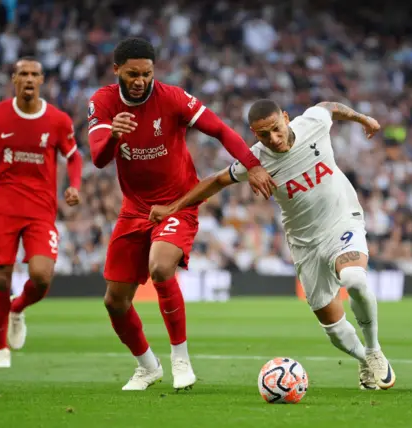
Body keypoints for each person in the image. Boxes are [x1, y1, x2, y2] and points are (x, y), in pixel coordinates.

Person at [150, 99, 397, 391]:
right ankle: (363, 360)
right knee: (332, 326)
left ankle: (373, 350)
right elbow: (215, 181)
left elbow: (329, 106)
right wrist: (172, 208)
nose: (274, 139)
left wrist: (363, 118)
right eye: (263, 135)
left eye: (277, 129)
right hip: (304, 242)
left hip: (343, 221)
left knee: (354, 278)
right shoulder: (254, 161)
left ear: (286, 117)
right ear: (255, 134)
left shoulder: (313, 123)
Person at [87, 37, 276, 391]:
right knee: (114, 301)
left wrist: (251, 165)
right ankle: (147, 366)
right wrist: (114, 135)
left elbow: (219, 129)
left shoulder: (172, 98)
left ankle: (180, 358)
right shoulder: (103, 102)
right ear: (117, 72)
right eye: (132, 74)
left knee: (160, 267)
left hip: (179, 203)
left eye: (146, 73)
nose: (141, 80)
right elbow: (98, 158)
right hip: (134, 210)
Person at [0, 57, 83, 368]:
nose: (28, 79)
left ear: (42, 80)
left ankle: (18, 308)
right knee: (0, 279)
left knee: (42, 276)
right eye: (23, 74)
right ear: (14, 80)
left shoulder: (57, 120)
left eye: (34, 74)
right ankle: (1, 349)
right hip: (3, 206)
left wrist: (74, 186)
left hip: (41, 209)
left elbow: (73, 157)